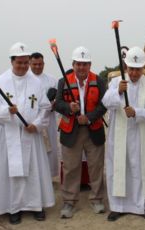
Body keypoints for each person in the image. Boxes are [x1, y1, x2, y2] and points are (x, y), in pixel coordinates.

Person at [0, 42, 55, 224]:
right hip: (7, 134)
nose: (23, 66)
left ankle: (35, 205)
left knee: (33, 170)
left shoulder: (36, 82)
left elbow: (45, 107)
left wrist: (37, 124)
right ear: (12, 61)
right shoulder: (0, 81)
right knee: (11, 172)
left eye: (26, 63)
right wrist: (7, 111)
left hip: (30, 134)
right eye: (19, 63)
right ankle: (12, 208)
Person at [102, 46, 145, 221]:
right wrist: (117, 91)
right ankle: (118, 206)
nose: (134, 73)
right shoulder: (116, 81)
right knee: (119, 168)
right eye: (131, 69)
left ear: (143, 68)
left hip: (140, 134)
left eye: (138, 69)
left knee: (141, 168)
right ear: (126, 67)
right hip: (119, 134)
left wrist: (137, 112)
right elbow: (105, 102)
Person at [55, 46, 107, 218]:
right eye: (78, 64)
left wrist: (90, 117)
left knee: (96, 167)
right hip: (71, 131)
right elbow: (58, 103)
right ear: (73, 64)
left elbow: (104, 104)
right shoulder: (63, 81)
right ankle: (69, 202)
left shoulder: (98, 81)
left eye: (85, 64)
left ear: (90, 65)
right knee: (70, 167)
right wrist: (69, 108)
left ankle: (97, 199)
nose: (81, 68)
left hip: (93, 129)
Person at [29, 52, 60, 178]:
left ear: (43, 64)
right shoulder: (26, 80)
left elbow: (59, 98)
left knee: (50, 148)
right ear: (30, 63)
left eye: (40, 64)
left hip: (49, 120)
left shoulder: (52, 80)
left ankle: (48, 176)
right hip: (31, 121)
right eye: (34, 64)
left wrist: (54, 104)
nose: (37, 67)